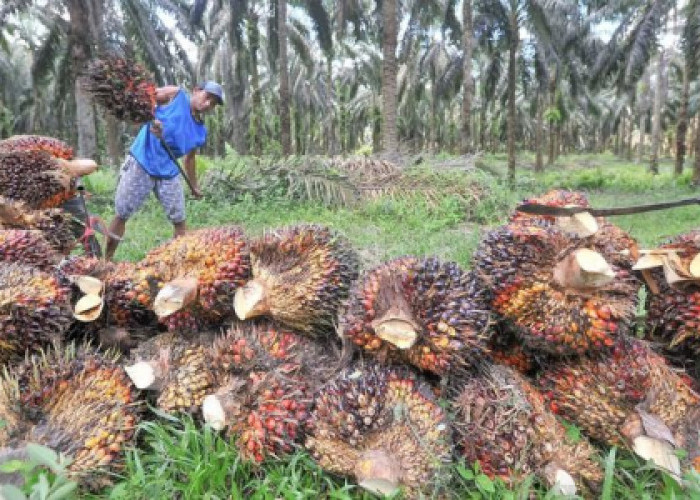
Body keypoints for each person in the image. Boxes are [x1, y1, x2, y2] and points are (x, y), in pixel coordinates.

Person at [104, 81, 224, 260]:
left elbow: (189, 159)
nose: (208, 104)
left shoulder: (200, 131)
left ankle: (178, 262)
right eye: (207, 97)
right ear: (196, 91)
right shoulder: (177, 96)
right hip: (142, 161)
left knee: (179, 220)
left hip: (168, 170)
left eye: (213, 104)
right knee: (122, 213)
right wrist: (153, 119)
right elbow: (146, 100)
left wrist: (194, 186)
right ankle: (106, 260)